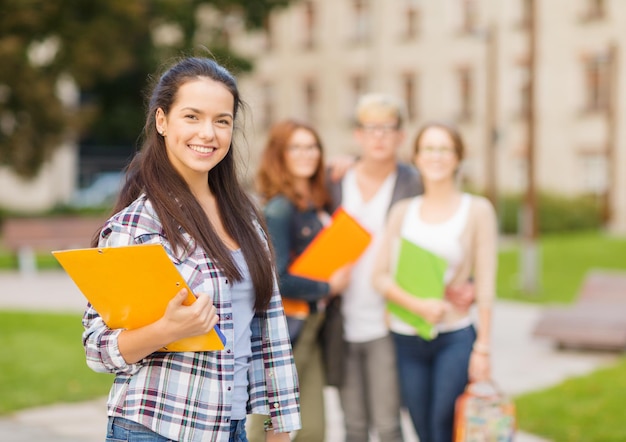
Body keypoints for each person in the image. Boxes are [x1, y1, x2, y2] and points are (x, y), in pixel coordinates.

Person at [82, 57, 300, 442]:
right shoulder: (139, 226)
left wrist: (278, 424)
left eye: (222, 120)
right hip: (156, 429)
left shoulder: (246, 218)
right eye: (192, 117)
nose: (208, 133)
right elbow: (98, 350)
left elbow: (267, 330)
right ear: (162, 121)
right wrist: (167, 330)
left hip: (230, 429)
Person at [372, 121, 497, 442]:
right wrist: (419, 305)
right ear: (416, 156)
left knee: (444, 423)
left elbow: (485, 286)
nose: (436, 156)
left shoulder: (477, 210)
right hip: (406, 336)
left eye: (445, 149)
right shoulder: (403, 211)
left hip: (454, 335)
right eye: (429, 148)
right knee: (422, 426)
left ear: (458, 157)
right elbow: (379, 276)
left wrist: (482, 348)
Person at [326, 93, 422, 442]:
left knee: (388, 425)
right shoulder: (334, 180)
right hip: (341, 319)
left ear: (401, 135)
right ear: (358, 135)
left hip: (387, 320)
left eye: (388, 128)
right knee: (352, 427)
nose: (379, 136)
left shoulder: (415, 182)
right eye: (371, 128)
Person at [248, 119, 352, 442]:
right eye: (297, 147)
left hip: (313, 327)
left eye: (312, 147)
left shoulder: (315, 201)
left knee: (313, 430)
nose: (307, 154)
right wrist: (329, 288)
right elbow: (277, 278)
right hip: (288, 331)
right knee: (268, 428)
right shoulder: (280, 208)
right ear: (280, 155)